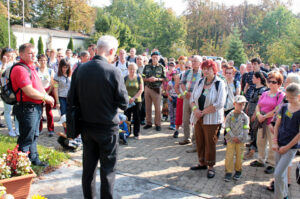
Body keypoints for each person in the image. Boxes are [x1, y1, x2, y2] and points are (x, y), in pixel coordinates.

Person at [67, 35, 128, 199]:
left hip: (87, 127)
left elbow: (71, 99)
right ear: (112, 51)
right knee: (108, 171)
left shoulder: (80, 69)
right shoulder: (113, 71)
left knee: (88, 169)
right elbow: (124, 103)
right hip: (107, 128)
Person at [11, 43, 54, 166]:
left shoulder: (31, 67)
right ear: (21, 54)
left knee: (34, 135)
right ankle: (20, 166)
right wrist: (46, 97)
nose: (34, 55)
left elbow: (38, 86)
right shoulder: (20, 69)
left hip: (35, 107)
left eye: (35, 53)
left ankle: (34, 160)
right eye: (30, 53)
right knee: (26, 138)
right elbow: (29, 91)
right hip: (27, 108)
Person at [190, 60, 226, 179]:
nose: (206, 71)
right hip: (198, 117)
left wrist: (203, 112)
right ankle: (202, 163)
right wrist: (196, 110)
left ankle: (211, 166)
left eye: (209, 69)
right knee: (200, 140)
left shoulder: (219, 83)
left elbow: (220, 103)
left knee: (210, 142)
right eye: (204, 68)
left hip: (212, 119)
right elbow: (192, 99)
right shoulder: (200, 81)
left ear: (214, 70)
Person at [250, 71, 285, 174]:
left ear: (279, 83)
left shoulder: (281, 95)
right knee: (260, 142)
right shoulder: (265, 93)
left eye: (274, 82)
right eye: (269, 81)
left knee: (271, 143)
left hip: (272, 124)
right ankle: (260, 160)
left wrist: (264, 116)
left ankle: (272, 163)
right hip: (261, 122)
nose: (271, 84)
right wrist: (258, 115)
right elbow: (258, 105)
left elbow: (277, 110)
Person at [272, 83, 300, 199]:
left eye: (291, 97)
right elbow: (277, 125)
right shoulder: (284, 107)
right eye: (287, 97)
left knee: (277, 174)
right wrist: (275, 141)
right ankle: (284, 195)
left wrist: (287, 147)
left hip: (290, 148)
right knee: (281, 173)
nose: (287, 99)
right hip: (279, 144)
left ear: (298, 96)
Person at [178, 56, 202, 149]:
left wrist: (195, 94)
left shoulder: (202, 73)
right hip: (187, 97)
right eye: (193, 61)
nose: (193, 63)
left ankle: (195, 140)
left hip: (196, 99)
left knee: (195, 119)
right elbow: (182, 83)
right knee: (185, 118)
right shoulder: (187, 72)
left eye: (195, 61)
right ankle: (186, 137)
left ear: (200, 63)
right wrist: (185, 92)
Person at [224, 95, 249, 182]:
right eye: (239, 104)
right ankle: (228, 172)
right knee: (229, 155)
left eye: (243, 104)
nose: (241, 106)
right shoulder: (230, 115)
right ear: (234, 104)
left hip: (240, 141)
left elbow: (246, 129)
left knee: (239, 156)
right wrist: (232, 136)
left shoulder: (245, 117)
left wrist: (240, 137)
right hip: (231, 140)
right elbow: (226, 126)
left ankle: (238, 170)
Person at [244, 71, 267, 159]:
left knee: (255, 131)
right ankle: (252, 146)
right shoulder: (254, 88)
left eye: (253, 78)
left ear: (258, 79)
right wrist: (247, 107)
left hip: (256, 113)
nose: (252, 79)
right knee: (252, 131)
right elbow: (250, 99)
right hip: (250, 110)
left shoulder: (262, 90)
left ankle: (253, 150)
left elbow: (260, 103)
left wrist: (255, 114)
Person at [142, 51, 166, 131]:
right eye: (153, 57)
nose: (155, 58)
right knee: (147, 107)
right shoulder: (146, 67)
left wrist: (157, 79)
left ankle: (158, 124)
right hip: (148, 88)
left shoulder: (161, 67)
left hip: (156, 89)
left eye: (156, 57)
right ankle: (148, 123)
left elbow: (165, 78)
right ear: (151, 57)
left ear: (159, 58)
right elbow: (142, 77)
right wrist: (148, 79)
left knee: (157, 108)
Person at [0, 48, 19, 135]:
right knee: (7, 110)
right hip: (6, 90)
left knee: (17, 110)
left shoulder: (15, 64)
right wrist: (4, 63)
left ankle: (17, 129)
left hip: (16, 89)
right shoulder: (1, 64)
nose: (9, 57)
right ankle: (10, 129)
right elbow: (1, 75)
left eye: (11, 55)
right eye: (7, 55)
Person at [36, 54, 55, 137]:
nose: (43, 62)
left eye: (44, 60)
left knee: (49, 111)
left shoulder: (50, 70)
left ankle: (51, 129)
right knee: (39, 112)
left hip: (48, 91)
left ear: (47, 61)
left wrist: (47, 94)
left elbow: (52, 83)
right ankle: (39, 129)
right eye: (41, 60)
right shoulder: (36, 70)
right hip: (39, 92)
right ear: (38, 61)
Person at [124, 63, 143, 139]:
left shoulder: (139, 77)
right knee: (127, 117)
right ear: (128, 69)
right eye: (130, 69)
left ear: (136, 69)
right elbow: (122, 89)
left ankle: (136, 133)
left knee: (137, 117)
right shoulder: (125, 78)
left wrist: (134, 98)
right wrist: (128, 98)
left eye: (133, 69)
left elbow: (141, 89)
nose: (132, 71)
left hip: (137, 101)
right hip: (127, 101)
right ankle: (127, 132)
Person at [166, 65, 178, 130]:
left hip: (177, 98)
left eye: (175, 74)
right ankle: (172, 123)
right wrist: (169, 96)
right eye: (173, 74)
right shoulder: (170, 82)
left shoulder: (179, 82)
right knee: (171, 111)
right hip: (171, 98)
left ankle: (176, 124)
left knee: (176, 111)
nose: (174, 76)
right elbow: (167, 90)